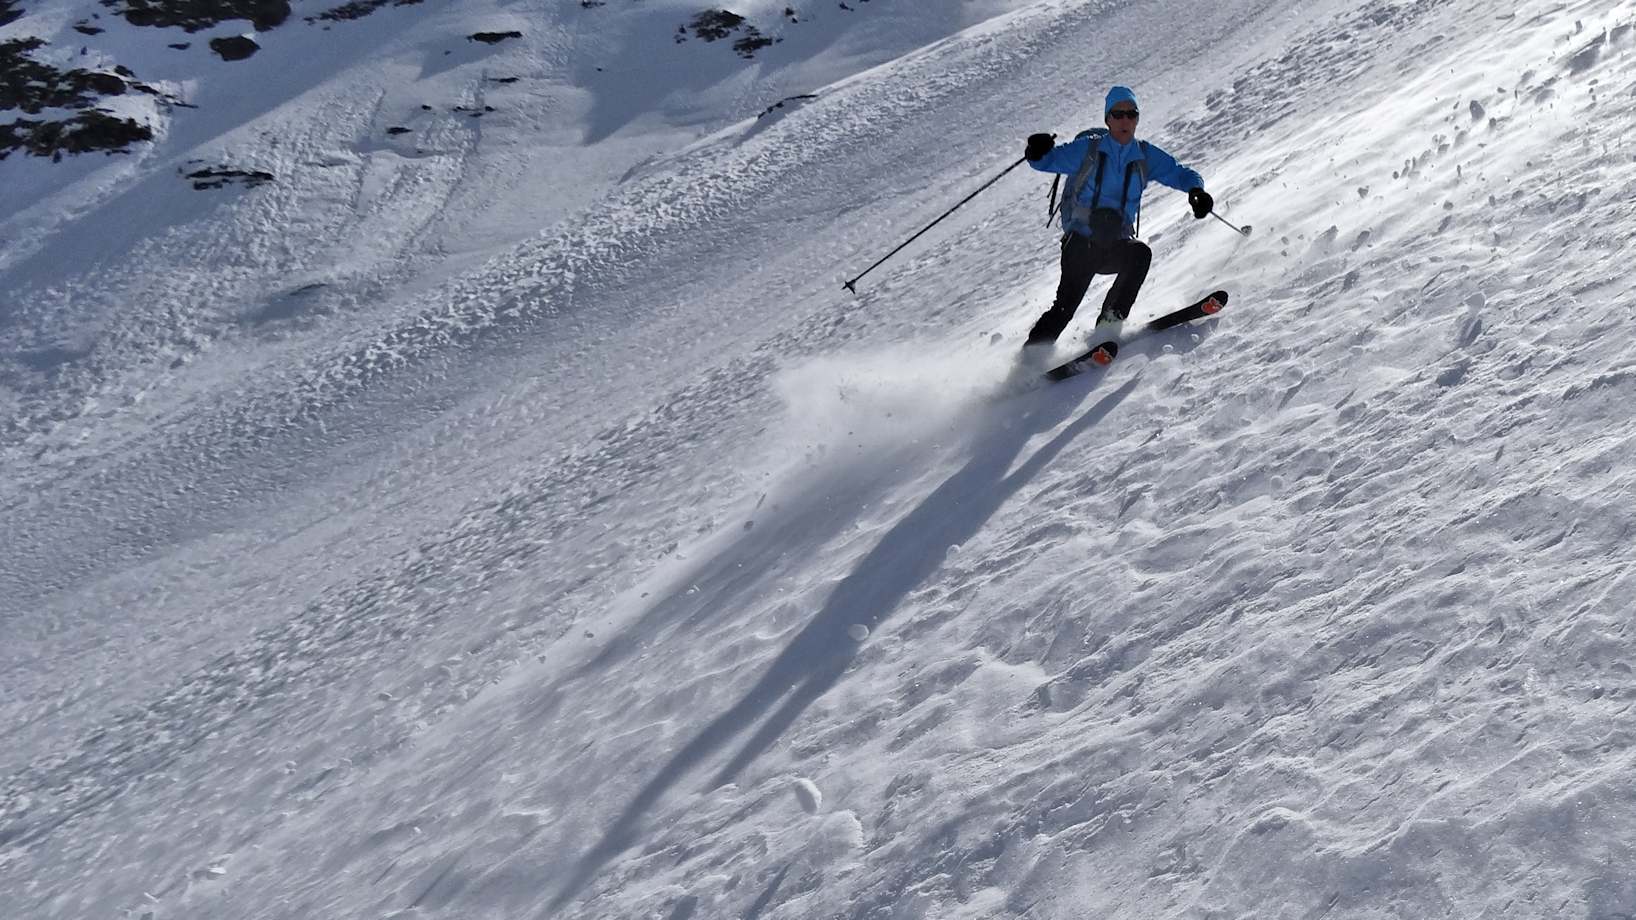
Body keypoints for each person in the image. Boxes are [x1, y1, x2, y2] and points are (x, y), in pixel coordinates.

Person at [1022, 86, 1213, 349]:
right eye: (1118, 114)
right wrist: (1036, 151)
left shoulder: (1144, 156)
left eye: (1131, 114)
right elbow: (1046, 162)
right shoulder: (1087, 150)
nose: (1125, 120)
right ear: (1107, 119)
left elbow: (1179, 173)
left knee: (1139, 254)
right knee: (1065, 308)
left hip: (1115, 244)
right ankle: (1029, 361)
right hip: (1081, 244)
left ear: (1137, 119)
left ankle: (1109, 324)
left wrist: (1196, 190)